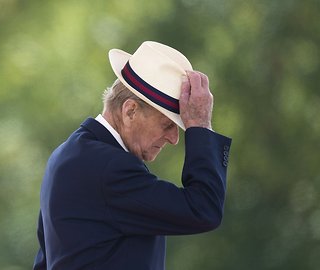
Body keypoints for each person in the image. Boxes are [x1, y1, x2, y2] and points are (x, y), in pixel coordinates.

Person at [33, 41, 232, 270]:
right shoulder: (110, 167)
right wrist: (200, 126)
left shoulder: (66, 155)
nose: (174, 139)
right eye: (167, 124)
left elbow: (44, 261)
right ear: (130, 111)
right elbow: (203, 209)